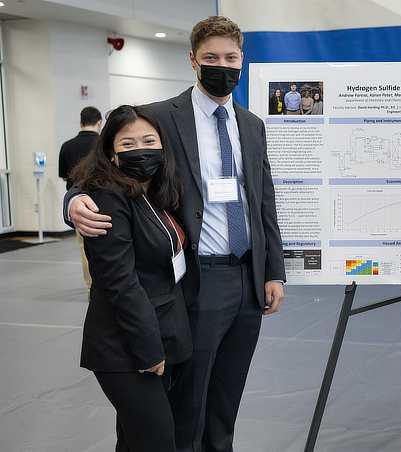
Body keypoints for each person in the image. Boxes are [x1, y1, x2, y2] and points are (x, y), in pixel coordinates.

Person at [66, 16, 286, 452]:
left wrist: (273, 270)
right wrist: (73, 199)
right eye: (211, 58)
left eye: (231, 58)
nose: (222, 66)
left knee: (227, 397)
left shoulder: (252, 125)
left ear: (242, 60)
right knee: (189, 400)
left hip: (248, 278)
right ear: (193, 59)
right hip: (198, 279)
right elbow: (103, 163)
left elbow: (263, 199)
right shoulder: (162, 117)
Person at [72, 105, 191, 451]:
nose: (141, 150)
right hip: (124, 346)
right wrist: (148, 350)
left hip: (157, 333)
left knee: (133, 441)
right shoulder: (108, 196)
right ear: (111, 153)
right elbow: (120, 283)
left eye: (149, 141)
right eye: (128, 144)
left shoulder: (156, 193)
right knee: (157, 440)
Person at [59, 106, 102, 295]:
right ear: (99, 123)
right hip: (104, 201)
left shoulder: (67, 146)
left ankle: (91, 287)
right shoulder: (103, 143)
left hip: (79, 206)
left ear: (80, 122)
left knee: (85, 248)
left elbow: (64, 177)